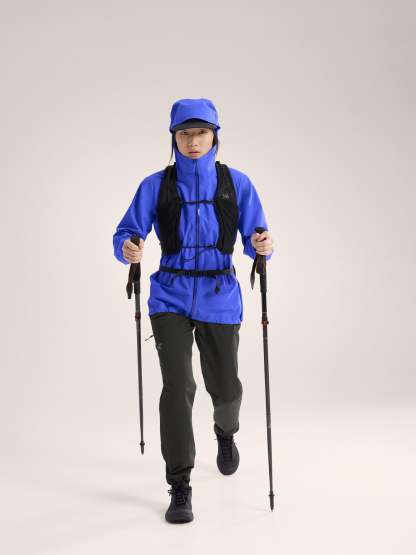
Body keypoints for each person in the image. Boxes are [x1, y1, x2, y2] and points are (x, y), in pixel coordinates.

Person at [113, 98, 274, 524]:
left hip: (221, 294)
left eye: (201, 132)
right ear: (174, 138)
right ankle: (179, 483)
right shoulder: (156, 185)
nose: (193, 141)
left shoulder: (236, 183)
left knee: (227, 389)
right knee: (178, 386)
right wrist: (128, 247)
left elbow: (257, 235)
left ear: (215, 136)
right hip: (171, 295)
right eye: (184, 133)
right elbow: (127, 230)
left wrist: (262, 245)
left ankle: (225, 431)